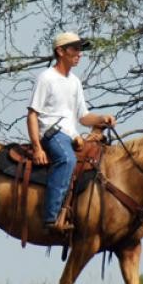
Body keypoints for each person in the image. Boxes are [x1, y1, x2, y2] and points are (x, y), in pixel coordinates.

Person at [27, 31, 116, 234]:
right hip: (52, 133)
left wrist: (102, 119)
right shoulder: (46, 78)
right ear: (60, 51)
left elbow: (83, 116)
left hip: (71, 134)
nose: (80, 54)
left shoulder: (74, 81)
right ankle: (51, 217)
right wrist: (37, 147)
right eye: (75, 49)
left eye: (80, 49)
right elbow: (32, 114)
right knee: (67, 160)